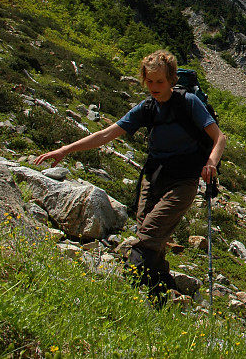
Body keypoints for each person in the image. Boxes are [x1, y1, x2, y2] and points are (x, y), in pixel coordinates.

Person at [34, 49, 226, 304]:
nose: (154, 87)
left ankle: (124, 292)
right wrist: (65, 149)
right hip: (154, 176)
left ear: (171, 80)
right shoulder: (147, 108)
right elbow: (106, 134)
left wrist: (211, 162)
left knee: (148, 236)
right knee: (149, 234)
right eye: (150, 81)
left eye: (160, 81)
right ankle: (159, 294)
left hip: (184, 180)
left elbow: (219, 138)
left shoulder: (189, 102)